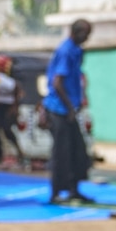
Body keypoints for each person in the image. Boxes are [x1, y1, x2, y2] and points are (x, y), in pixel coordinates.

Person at [44, 19, 94, 203]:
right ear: (77, 32)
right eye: (86, 34)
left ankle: (74, 188)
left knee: (77, 150)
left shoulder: (77, 51)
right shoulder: (66, 51)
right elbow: (57, 82)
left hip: (70, 109)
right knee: (61, 152)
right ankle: (56, 192)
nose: (88, 38)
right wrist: (69, 107)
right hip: (60, 109)